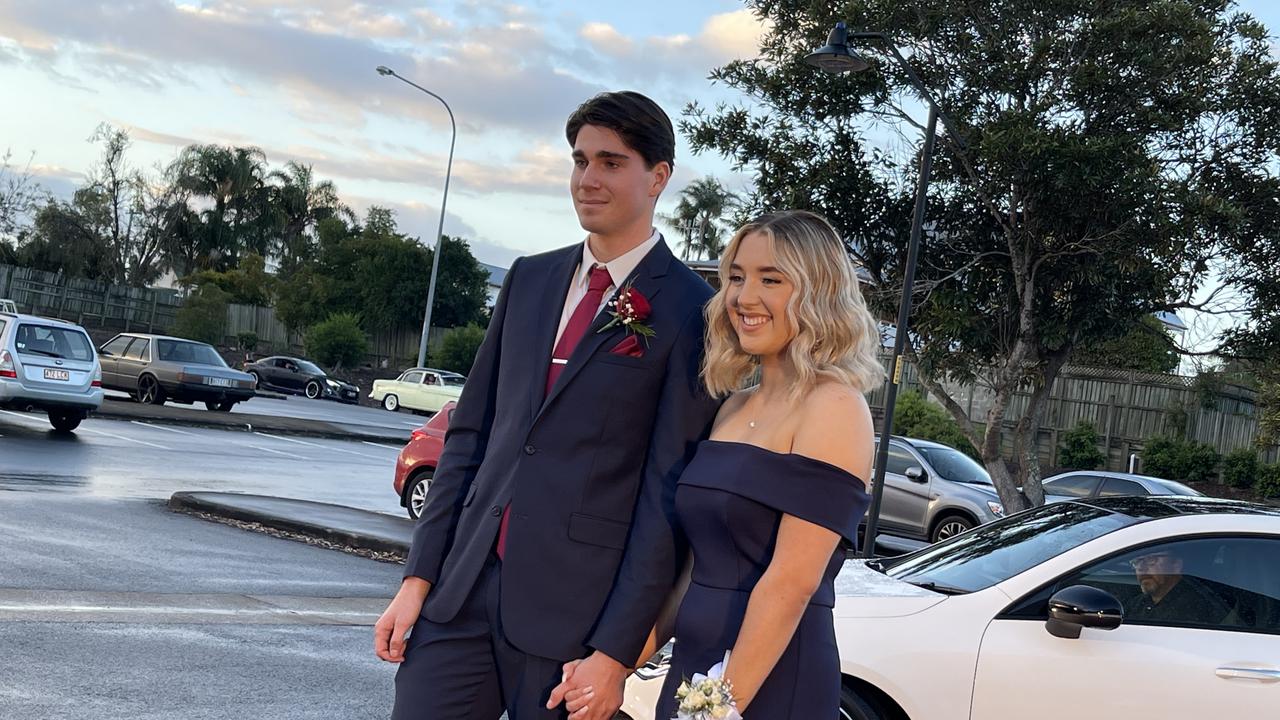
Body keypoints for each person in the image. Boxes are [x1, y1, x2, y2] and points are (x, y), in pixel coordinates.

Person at [373, 90, 721, 720]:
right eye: (580, 160)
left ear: (658, 176)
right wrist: (417, 581)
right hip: (460, 597)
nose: (588, 178)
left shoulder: (691, 311)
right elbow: (471, 436)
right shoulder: (529, 279)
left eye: (611, 163)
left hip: (574, 623)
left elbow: (665, 493)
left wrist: (616, 652)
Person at [557, 210, 882, 717]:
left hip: (769, 680)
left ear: (817, 291)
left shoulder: (835, 407)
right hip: (695, 671)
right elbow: (693, 571)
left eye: (770, 279)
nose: (743, 297)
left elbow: (791, 584)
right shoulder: (732, 406)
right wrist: (615, 662)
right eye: (736, 277)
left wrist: (718, 707)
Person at [1124, 549, 1230, 624]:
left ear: (1175, 565)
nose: (1141, 568)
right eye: (1137, 562)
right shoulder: (1137, 603)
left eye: (1151, 560)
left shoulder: (1195, 608)